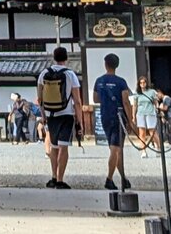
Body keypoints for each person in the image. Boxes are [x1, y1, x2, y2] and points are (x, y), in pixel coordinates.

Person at [35, 45, 83, 189]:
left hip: (50, 114)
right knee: (64, 147)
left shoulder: (44, 74)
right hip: (66, 114)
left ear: (54, 58)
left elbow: (40, 98)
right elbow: (77, 101)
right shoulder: (70, 74)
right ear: (66, 58)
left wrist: (43, 115)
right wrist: (79, 120)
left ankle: (53, 177)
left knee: (54, 147)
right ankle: (60, 180)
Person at [92, 54, 133, 191]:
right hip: (118, 117)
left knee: (116, 148)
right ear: (117, 65)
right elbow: (126, 101)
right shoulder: (121, 82)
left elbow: (95, 99)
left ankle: (123, 178)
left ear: (105, 64)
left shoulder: (99, 81)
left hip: (105, 115)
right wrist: (131, 120)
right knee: (116, 149)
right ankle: (109, 179)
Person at [132, 78, 159, 150]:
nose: (142, 84)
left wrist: (157, 109)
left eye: (144, 82)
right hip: (140, 113)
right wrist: (133, 116)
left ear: (146, 83)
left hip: (150, 112)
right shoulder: (137, 93)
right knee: (142, 133)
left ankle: (158, 147)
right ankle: (143, 150)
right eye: (141, 83)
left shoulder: (152, 92)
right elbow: (135, 105)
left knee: (152, 132)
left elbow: (156, 103)